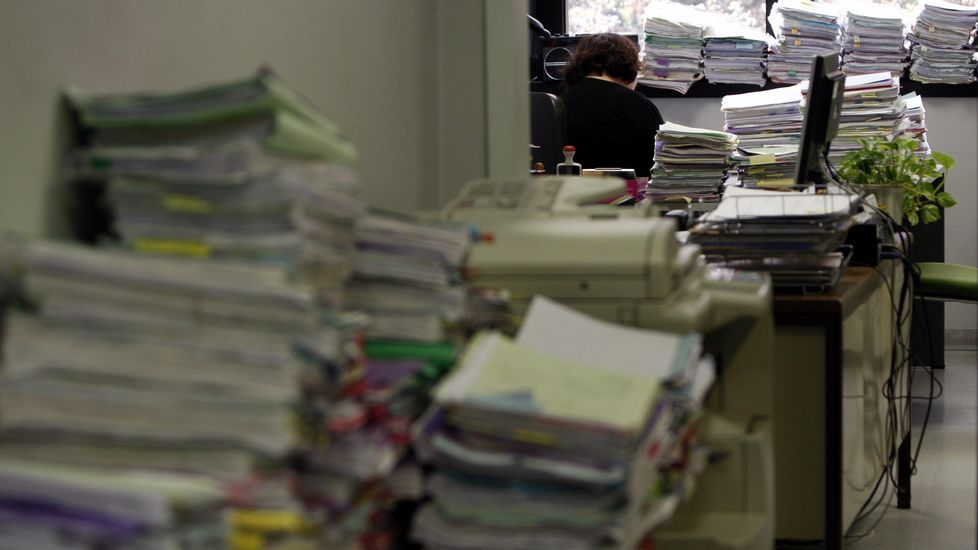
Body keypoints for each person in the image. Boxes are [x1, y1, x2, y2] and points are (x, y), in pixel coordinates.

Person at [561, 33, 664, 178]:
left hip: (570, 195)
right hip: (626, 196)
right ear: (630, 67)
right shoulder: (635, 103)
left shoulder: (561, 102)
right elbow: (662, 163)